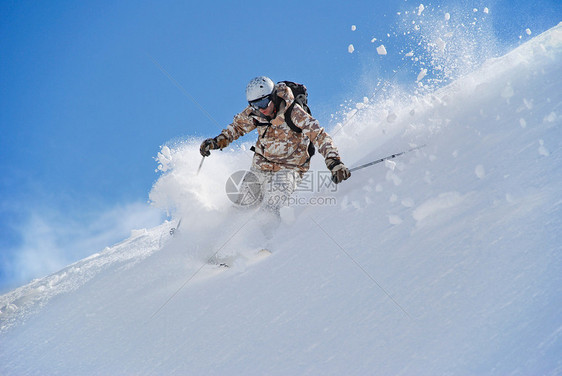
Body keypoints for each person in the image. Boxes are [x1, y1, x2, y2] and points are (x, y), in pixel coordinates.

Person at [200, 76, 351, 220]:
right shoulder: (254, 113)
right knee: (241, 205)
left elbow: (319, 135)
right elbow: (237, 128)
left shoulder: (294, 112)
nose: (262, 109)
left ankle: (265, 242)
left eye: (264, 103)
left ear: (272, 96)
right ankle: (220, 243)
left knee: (272, 203)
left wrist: (334, 162)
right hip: (261, 167)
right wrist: (216, 142)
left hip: (290, 168)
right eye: (256, 105)